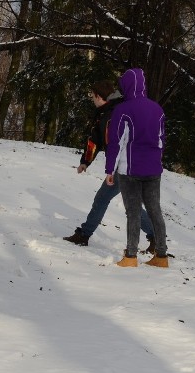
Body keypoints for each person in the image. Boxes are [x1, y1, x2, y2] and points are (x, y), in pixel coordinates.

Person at [63, 80, 155, 251]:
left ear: (99, 96)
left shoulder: (117, 113)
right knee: (123, 202)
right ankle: (155, 238)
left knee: (108, 200)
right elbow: (95, 140)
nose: (91, 99)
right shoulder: (103, 114)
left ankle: (84, 235)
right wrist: (85, 161)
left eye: (92, 96)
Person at [105, 68, 169, 268]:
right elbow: (161, 140)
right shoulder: (157, 109)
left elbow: (116, 142)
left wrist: (110, 170)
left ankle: (131, 256)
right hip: (153, 170)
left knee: (133, 212)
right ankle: (161, 256)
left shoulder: (122, 110)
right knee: (155, 211)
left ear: (126, 85)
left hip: (130, 170)